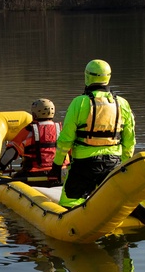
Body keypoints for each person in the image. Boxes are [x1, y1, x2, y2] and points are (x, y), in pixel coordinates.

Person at [49, 59, 135, 207]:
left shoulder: (79, 102)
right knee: (115, 200)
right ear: (108, 77)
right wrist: (125, 165)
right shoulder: (122, 103)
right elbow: (129, 140)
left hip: (84, 165)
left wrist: (57, 165)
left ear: (87, 77)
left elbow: (65, 139)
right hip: (113, 163)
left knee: (68, 204)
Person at [0, 98, 67, 178]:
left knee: (14, 178)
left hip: (35, 174)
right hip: (60, 173)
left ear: (35, 114)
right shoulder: (60, 130)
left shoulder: (29, 130)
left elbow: (11, 151)